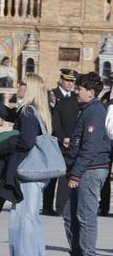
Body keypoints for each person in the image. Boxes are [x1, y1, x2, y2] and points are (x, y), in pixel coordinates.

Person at [0, 74, 51, 256]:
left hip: (27, 172)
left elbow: (26, 142)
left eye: (22, 84)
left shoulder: (28, 112)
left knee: (21, 220)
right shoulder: (35, 111)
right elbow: (11, 115)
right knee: (32, 219)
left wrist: (3, 144)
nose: (18, 86)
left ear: (30, 88)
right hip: (36, 172)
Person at [56, 71, 108, 256]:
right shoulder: (85, 109)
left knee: (85, 216)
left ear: (91, 92)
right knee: (69, 214)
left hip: (91, 169)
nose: (77, 92)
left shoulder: (95, 111)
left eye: (80, 89)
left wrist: (76, 174)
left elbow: (91, 146)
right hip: (82, 168)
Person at [43, 68, 80, 217]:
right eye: (67, 80)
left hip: (70, 142)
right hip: (55, 140)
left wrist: (71, 138)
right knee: (51, 175)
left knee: (65, 176)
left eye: (72, 81)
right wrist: (62, 137)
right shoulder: (51, 94)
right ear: (61, 80)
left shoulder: (75, 97)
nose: (70, 84)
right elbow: (51, 120)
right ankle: (46, 206)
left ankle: (61, 207)